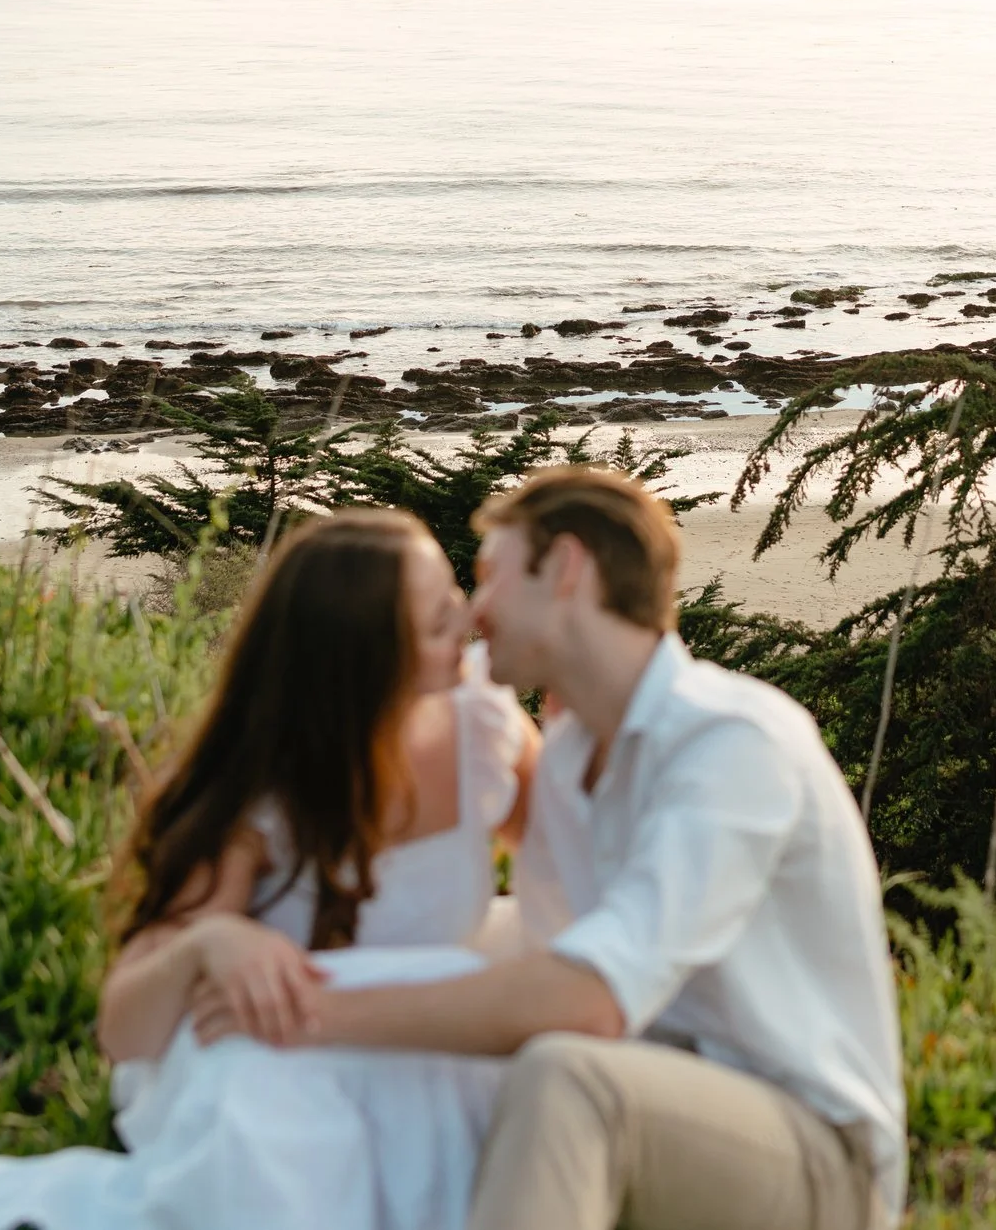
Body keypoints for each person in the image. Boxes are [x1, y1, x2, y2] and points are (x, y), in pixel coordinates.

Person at [197, 466, 905, 1230]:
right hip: (652, 1098)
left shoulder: (729, 742)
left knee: (564, 1075)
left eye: (492, 576)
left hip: (815, 1158)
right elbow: (526, 929)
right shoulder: (567, 757)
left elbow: (590, 998)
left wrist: (304, 1013)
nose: (474, 611)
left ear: (565, 570)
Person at [0, 508, 540, 1230]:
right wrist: (208, 943)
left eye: (457, 595)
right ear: (367, 658)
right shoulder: (263, 794)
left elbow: (576, 858)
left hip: (423, 1034)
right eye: (440, 616)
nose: (470, 617)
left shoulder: (482, 725)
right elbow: (125, 1030)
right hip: (277, 1060)